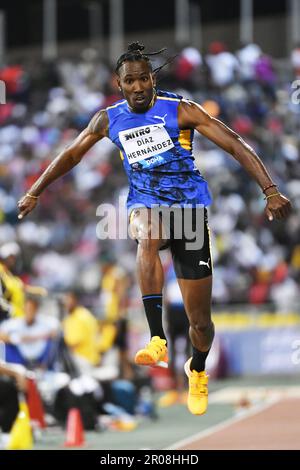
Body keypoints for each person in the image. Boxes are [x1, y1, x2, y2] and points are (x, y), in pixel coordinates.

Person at [17, 42, 291, 416]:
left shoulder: (181, 110)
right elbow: (71, 154)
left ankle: (196, 368)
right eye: (130, 80)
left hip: (191, 214)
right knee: (147, 233)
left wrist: (270, 189)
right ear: (120, 83)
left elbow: (235, 144)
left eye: (144, 78)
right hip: (146, 206)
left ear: (152, 79)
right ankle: (157, 338)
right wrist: (34, 191)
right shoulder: (108, 119)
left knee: (201, 323)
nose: (139, 86)